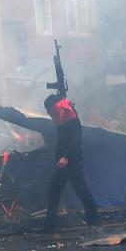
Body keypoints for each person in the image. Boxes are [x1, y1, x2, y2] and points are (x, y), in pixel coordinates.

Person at [42, 94, 98, 233]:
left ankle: (95, 224)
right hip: (63, 164)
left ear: (53, 107)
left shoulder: (70, 116)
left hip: (72, 163)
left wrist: (66, 157)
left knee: (83, 192)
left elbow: (76, 140)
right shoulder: (60, 117)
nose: (49, 114)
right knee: (54, 191)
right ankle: (49, 227)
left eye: (49, 110)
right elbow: (62, 142)